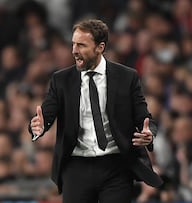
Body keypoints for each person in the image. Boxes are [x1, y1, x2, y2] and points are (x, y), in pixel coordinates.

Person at [29, 19, 163, 203]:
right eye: (73, 44)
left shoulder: (126, 77)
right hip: (76, 167)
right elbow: (46, 115)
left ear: (100, 47)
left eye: (81, 45)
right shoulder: (61, 80)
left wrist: (149, 134)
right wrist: (38, 127)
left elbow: (144, 119)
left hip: (116, 166)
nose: (74, 50)